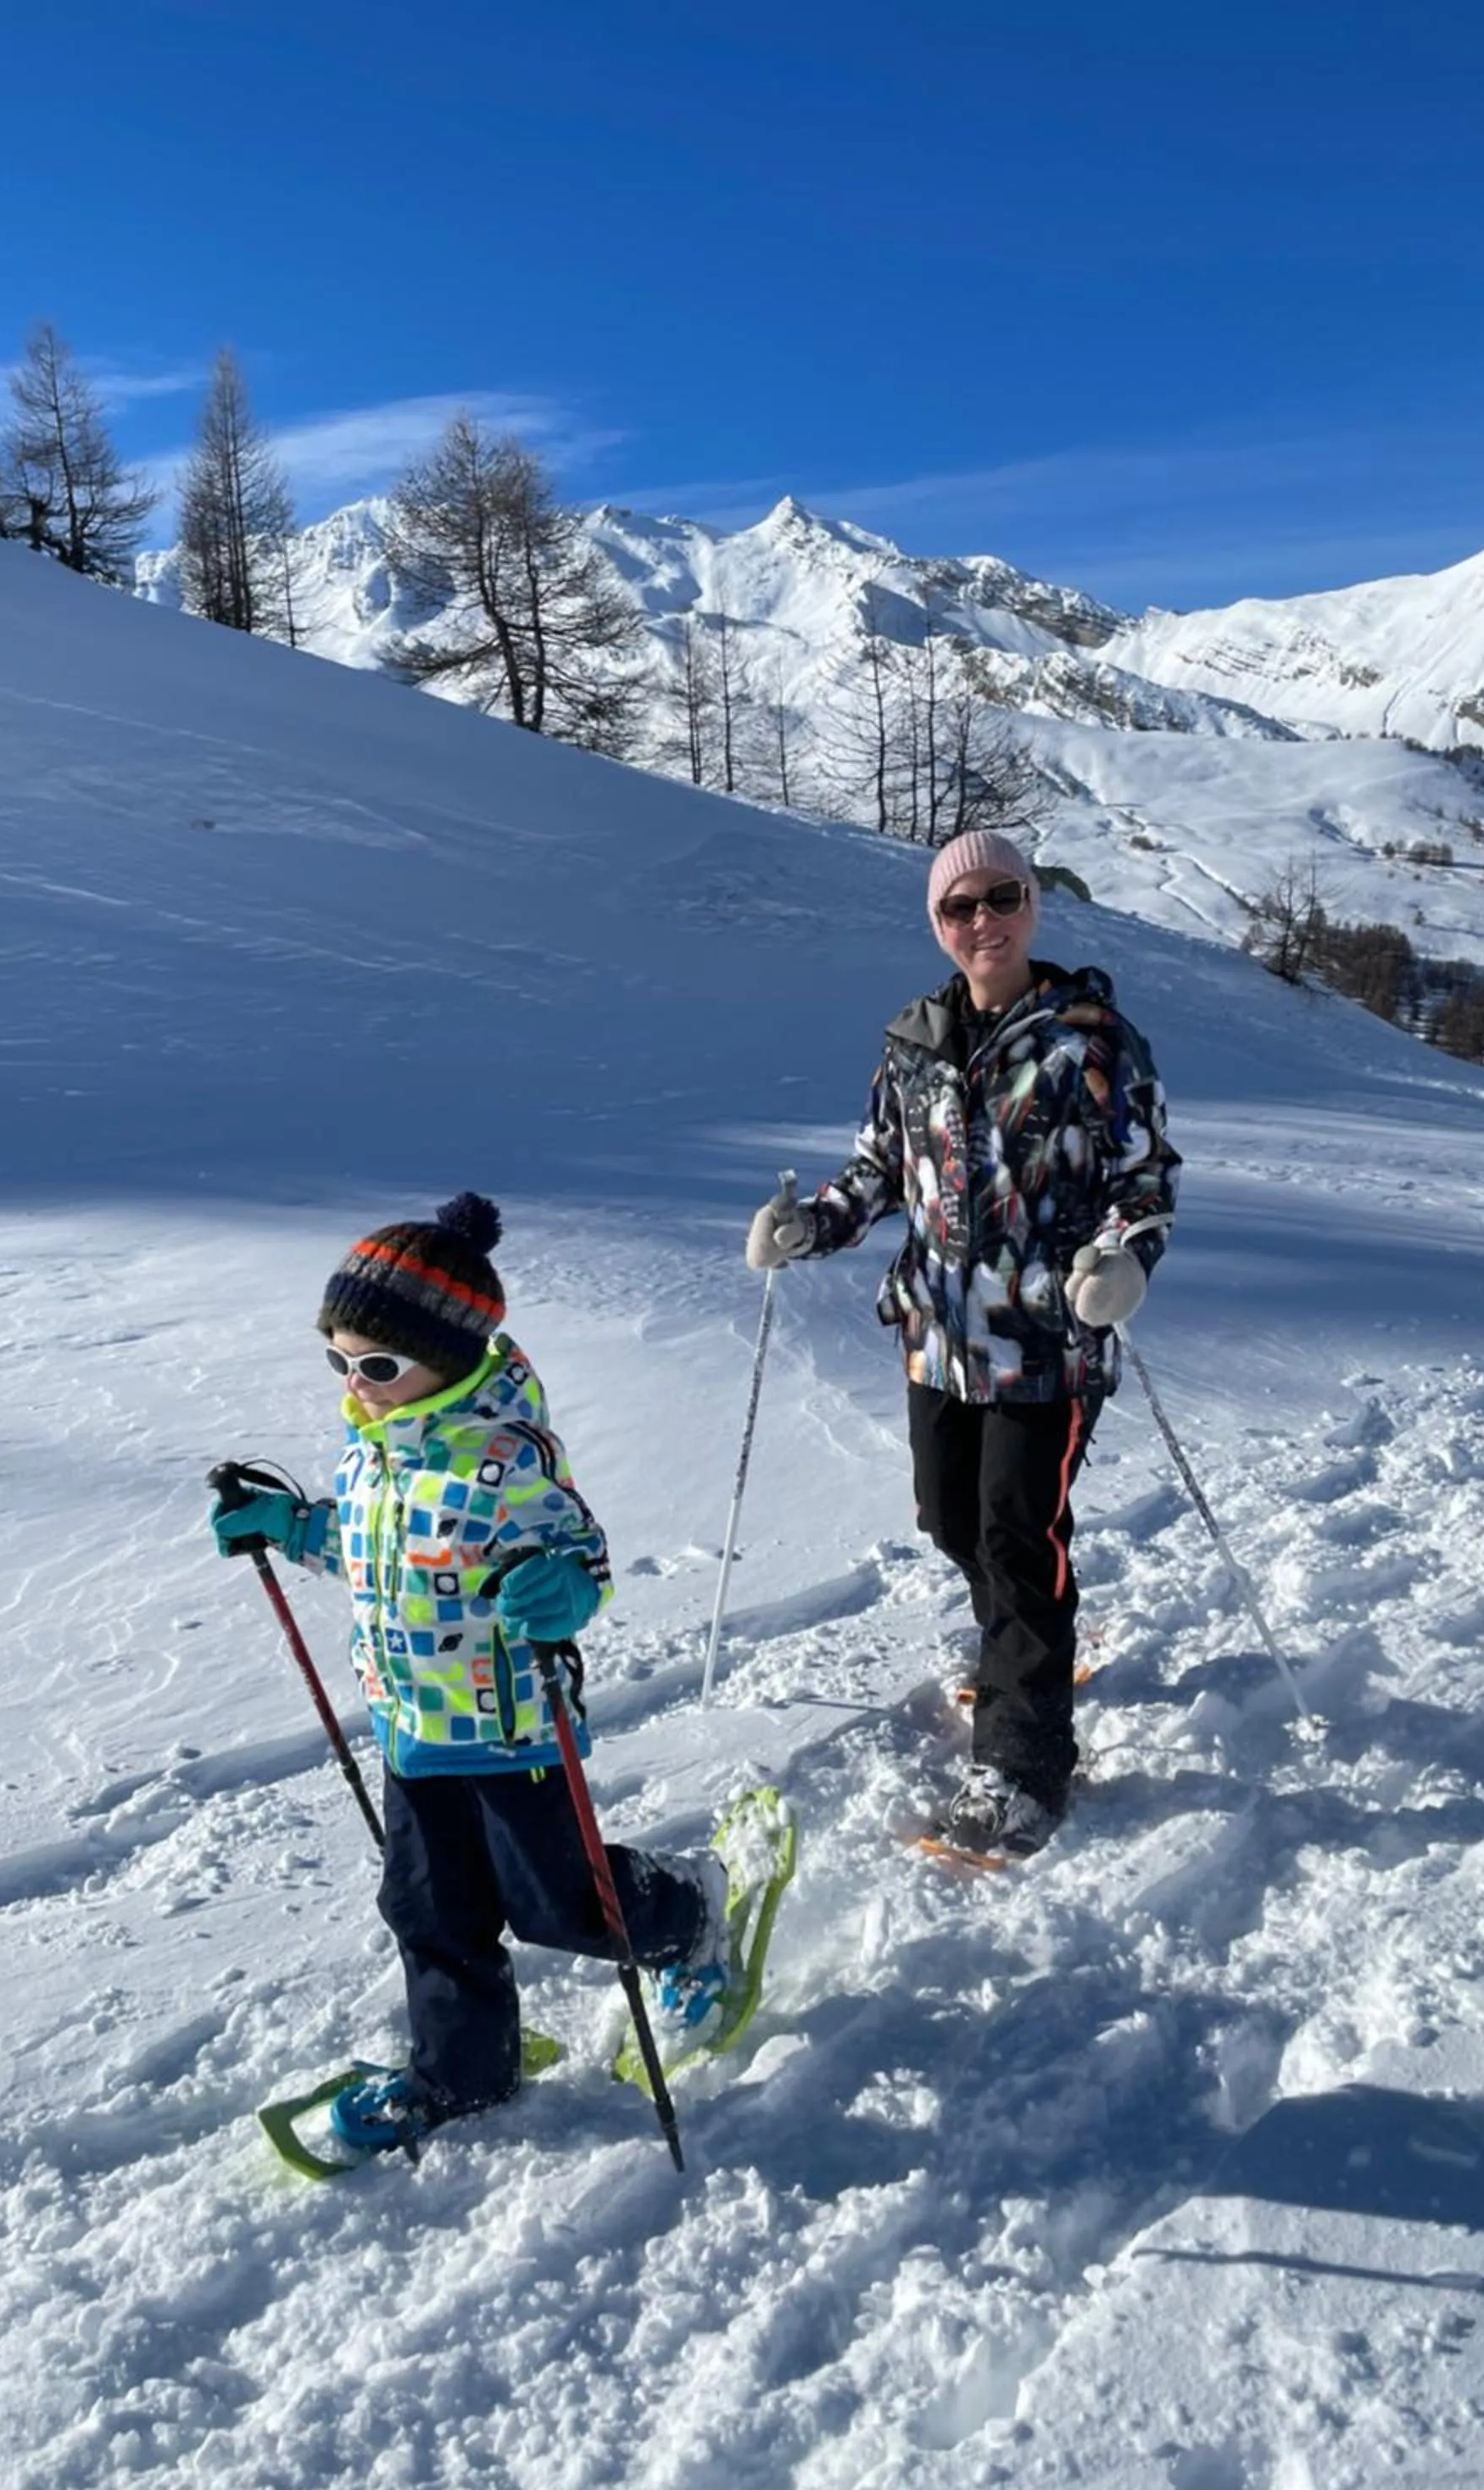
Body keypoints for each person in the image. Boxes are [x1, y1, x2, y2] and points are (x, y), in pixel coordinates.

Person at [209, 1191, 732, 2152]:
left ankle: (689, 1912)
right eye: (338, 1359)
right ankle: (463, 2074)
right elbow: (369, 1551)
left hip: (510, 1732)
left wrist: (562, 1590)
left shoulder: (505, 1455)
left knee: (559, 1906)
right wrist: (288, 1525)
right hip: (411, 1728)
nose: (355, 1383)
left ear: (444, 1358)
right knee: (427, 1910)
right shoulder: (373, 1450)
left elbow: (582, 1556)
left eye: (376, 1365)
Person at [747, 831, 1180, 1862]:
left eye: (1003, 897)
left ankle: (1024, 1764)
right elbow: (879, 1170)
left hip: (1048, 1339)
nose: (983, 921)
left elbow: (1145, 1177)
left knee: (1016, 1536)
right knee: (951, 1519)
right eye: (959, 906)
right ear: (937, 924)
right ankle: (1022, 1646)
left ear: (1033, 905)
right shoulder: (915, 1042)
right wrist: (811, 1226)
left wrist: (1124, 1260)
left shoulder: (1091, 1041)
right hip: (940, 1338)